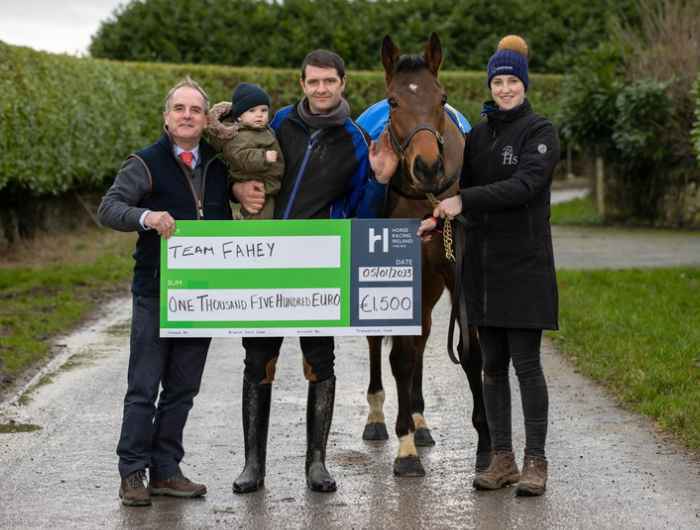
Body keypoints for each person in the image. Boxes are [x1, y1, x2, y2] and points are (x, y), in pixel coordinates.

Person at [231, 49, 397, 494]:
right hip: (266, 260)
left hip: (317, 265)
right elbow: (237, 158)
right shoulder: (278, 122)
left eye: (329, 81)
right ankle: (253, 465)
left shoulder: (357, 140)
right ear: (302, 84)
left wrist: (379, 182)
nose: (321, 89)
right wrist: (238, 186)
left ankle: (316, 463)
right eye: (313, 82)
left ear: (343, 83)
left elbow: (364, 217)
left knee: (319, 361)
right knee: (257, 361)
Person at [418, 35, 560, 497]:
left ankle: (536, 461)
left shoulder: (541, 132)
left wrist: (463, 200)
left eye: (511, 81)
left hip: (525, 266)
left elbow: (525, 186)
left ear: (523, 85)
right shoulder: (478, 136)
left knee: (527, 366)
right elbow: (462, 198)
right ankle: (502, 458)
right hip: (481, 266)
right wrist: (437, 215)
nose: (504, 89)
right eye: (497, 81)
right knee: (491, 366)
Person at [97, 77, 232, 506]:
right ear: (166, 117)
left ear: (205, 118)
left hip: (203, 295)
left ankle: (167, 470)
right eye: (179, 109)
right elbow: (110, 208)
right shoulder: (146, 161)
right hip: (156, 292)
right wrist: (147, 216)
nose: (187, 116)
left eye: (195, 109)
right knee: (144, 385)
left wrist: (247, 193)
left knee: (182, 387)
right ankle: (132, 472)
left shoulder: (218, 162)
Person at [207, 82, 284, 219]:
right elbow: (240, 156)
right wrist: (263, 157)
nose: (259, 115)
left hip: (269, 185)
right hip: (257, 187)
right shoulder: (238, 135)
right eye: (252, 111)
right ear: (239, 116)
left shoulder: (262, 130)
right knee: (260, 221)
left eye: (263, 110)